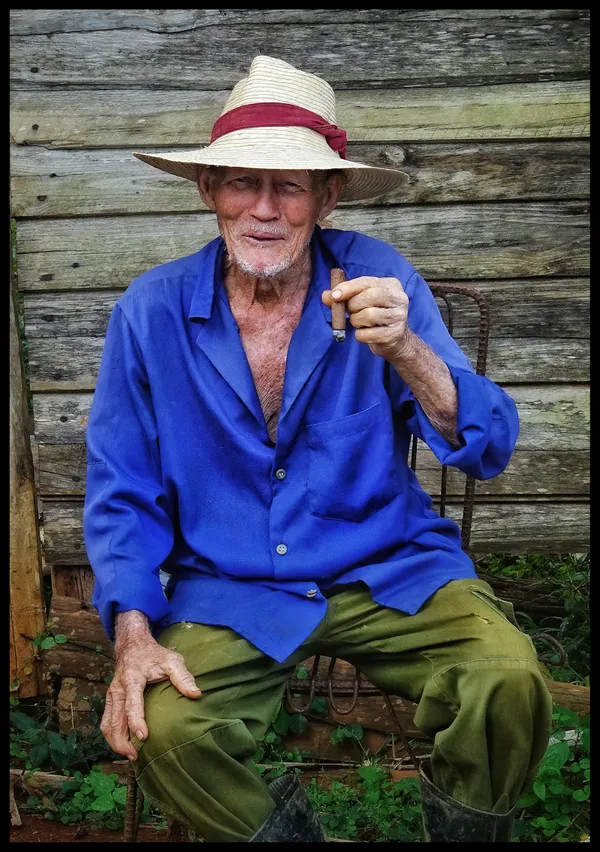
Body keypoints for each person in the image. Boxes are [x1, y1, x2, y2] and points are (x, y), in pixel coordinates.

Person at [83, 55, 552, 843]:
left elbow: (488, 447)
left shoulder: (379, 278)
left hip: (388, 570)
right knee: (167, 730)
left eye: (290, 185)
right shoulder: (151, 311)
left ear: (327, 197)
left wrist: (409, 350)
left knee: (506, 680)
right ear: (209, 191)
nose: (263, 209)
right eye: (242, 183)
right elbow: (122, 487)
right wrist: (133, 633)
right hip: (231, 588)